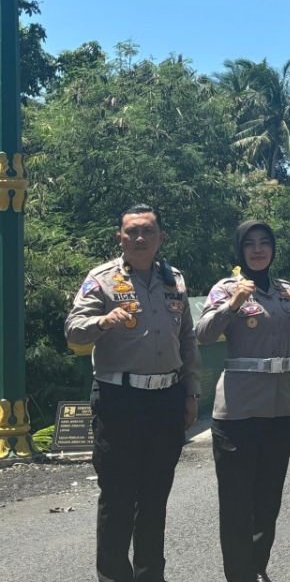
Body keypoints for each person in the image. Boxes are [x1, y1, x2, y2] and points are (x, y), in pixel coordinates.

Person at [64, 204, 199, 582]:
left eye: (148, 232)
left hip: (166, 399)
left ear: (161, 238)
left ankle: (150, 576)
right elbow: (74, 330)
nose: (140, 239)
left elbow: (186, 339)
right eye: (132, 232)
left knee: (155, 498)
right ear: (119, 238)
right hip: (119, 400)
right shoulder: (102, 280)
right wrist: (102, 321)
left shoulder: (176, 282)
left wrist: (192, 392)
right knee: (118, 497)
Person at [196, 220, 290, 582]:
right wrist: (233, 305)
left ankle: (257, 567)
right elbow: (203, 334)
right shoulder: (227, 288)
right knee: (236, 502)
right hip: (239, 411)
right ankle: (239, 575)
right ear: (240, 250)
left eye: (264, 243)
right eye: (250, 244)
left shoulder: (286, 292)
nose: (258, 250)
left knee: (268, 500)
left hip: (280, 408)